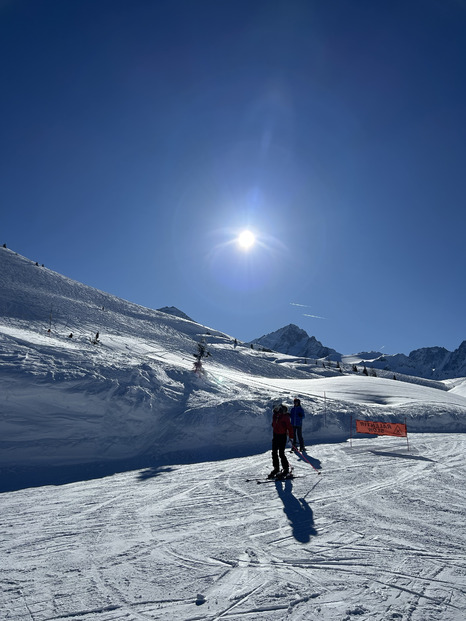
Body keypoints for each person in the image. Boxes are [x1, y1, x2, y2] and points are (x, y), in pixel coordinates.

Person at [268, 405, 294, 479]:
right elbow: (273, 424)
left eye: (276, 408)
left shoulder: (285, 416)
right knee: (274, 452)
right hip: (275, 435)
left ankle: (286, 469)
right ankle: (276, 469)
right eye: (274, 408)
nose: (275, 409)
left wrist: (291, 437)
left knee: (281, 453)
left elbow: (289, 427)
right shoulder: (274, 415)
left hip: (282, 436)